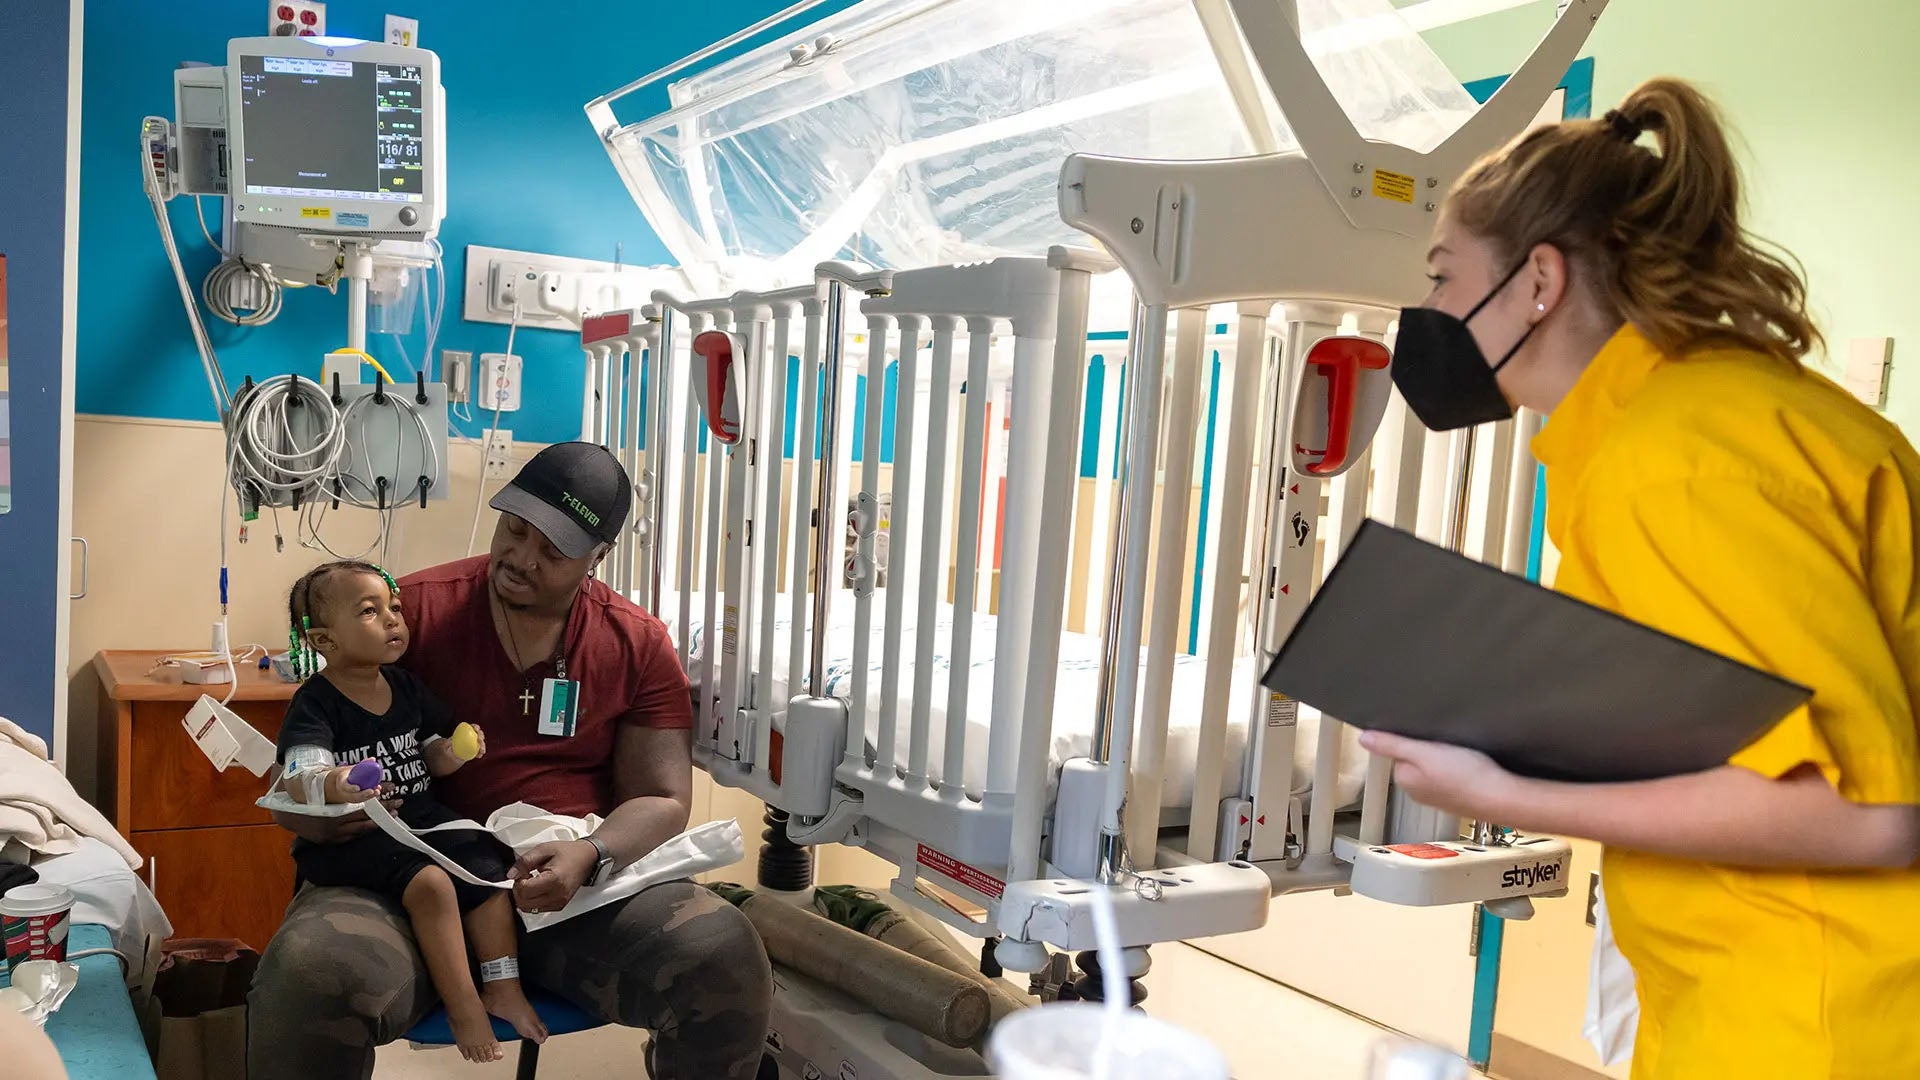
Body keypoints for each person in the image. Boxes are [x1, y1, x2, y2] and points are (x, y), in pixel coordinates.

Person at [1362, 78, 1920, 1078]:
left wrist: (1508, 791)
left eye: (1444, 278)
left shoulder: (1677, 459)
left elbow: (1869, 820)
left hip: (1818, 1017)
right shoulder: (1704, 416)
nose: (1429, 311)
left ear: (1539, 281)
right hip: (1767, 988)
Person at [249, 443, 774, 1080]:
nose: (521, 559)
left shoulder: (634, 643)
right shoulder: (412, 614)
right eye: (514, 530)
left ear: (596, 558)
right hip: (403, 879)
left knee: (722, 954)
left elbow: (663, 797)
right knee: (309, 972)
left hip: (565, 892)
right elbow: (306, 765)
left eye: (552, 551)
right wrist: (317, 815)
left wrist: (592, 855)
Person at [275, 559, 540, 1063]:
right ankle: (464, 1006)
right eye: (370, 611)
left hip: (418, 821)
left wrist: (457, 751)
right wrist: (340, 782)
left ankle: (501, 984)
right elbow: (300, 774)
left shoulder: (405, 686)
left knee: (486, 866)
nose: (394, 619)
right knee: (433, 885)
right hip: (355, 836)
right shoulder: (317, 703)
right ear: (325, 642)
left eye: (394, 607)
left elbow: (431, 756)